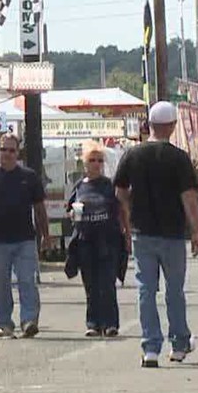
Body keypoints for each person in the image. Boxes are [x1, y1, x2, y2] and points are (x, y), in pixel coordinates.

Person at [114, 101, 198, 368]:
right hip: (172, 232)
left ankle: (150, 347)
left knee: (146, 289)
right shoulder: (179, 158)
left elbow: (119, 191)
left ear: (149, 125)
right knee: (174, 290)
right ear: (172, 126)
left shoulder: (132, 155)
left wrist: (129, 216)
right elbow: (188, 197)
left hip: (143, 231)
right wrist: (197, 230)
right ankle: (178, 344)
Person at [0, 132, 52, 339]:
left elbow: (39, 208)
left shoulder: (29, 177)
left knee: (27, 280)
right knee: (0, 285)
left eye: (11, 150)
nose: (7, 154)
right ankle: (4, 324)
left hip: (24, 238)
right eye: (3, 150)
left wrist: (46, 235)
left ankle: (29, 321)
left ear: (18, 153)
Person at [66, 142, 128, 337]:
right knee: (90, 284)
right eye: (91, 160)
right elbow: (70, 210)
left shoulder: (110, 185)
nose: (95, 164)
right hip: (85, 240)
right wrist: (73, 214)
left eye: (99, 160)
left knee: (107, 283)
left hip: (108, 240)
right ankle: (93, 323)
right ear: (84, 163)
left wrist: (127, 233)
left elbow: (122, 209)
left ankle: (111, 324)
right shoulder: (79, 187)